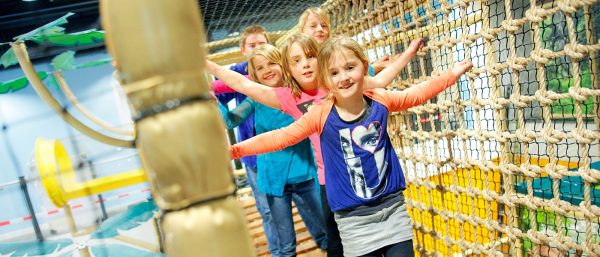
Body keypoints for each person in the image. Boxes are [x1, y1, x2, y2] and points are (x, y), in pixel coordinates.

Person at [228, 37, 473, 257]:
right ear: (325, 80)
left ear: (364, 68)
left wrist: (452, 75)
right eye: (334, 73)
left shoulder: (379, 100)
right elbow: (280, 137)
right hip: (353, 221)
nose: (343, 77)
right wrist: (234, 151)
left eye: (350, 68)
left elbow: (415, 94)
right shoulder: (321, 114)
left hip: (393, 210)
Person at [217, 44, 327, 257]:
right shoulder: (257, 99)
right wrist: (215, 103)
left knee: (326, 231)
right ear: (254, 74)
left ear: (283, 64)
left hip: (306, 175)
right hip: (274, 181)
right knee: (285, 244)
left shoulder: (296, 94)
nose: (267, 70)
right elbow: (230, 121)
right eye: (260, 68)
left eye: (271, 63)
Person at [213, 24, 279, 255]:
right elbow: (220, 94)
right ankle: (278, 250)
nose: (258, 48)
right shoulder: (239, 73)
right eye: (252, 45)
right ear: (243, 49)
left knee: (300, 200)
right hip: (254, 153)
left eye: (262, 43)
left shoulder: (277, 68)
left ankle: (322, 242)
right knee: (267, 210)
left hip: (283, 150)